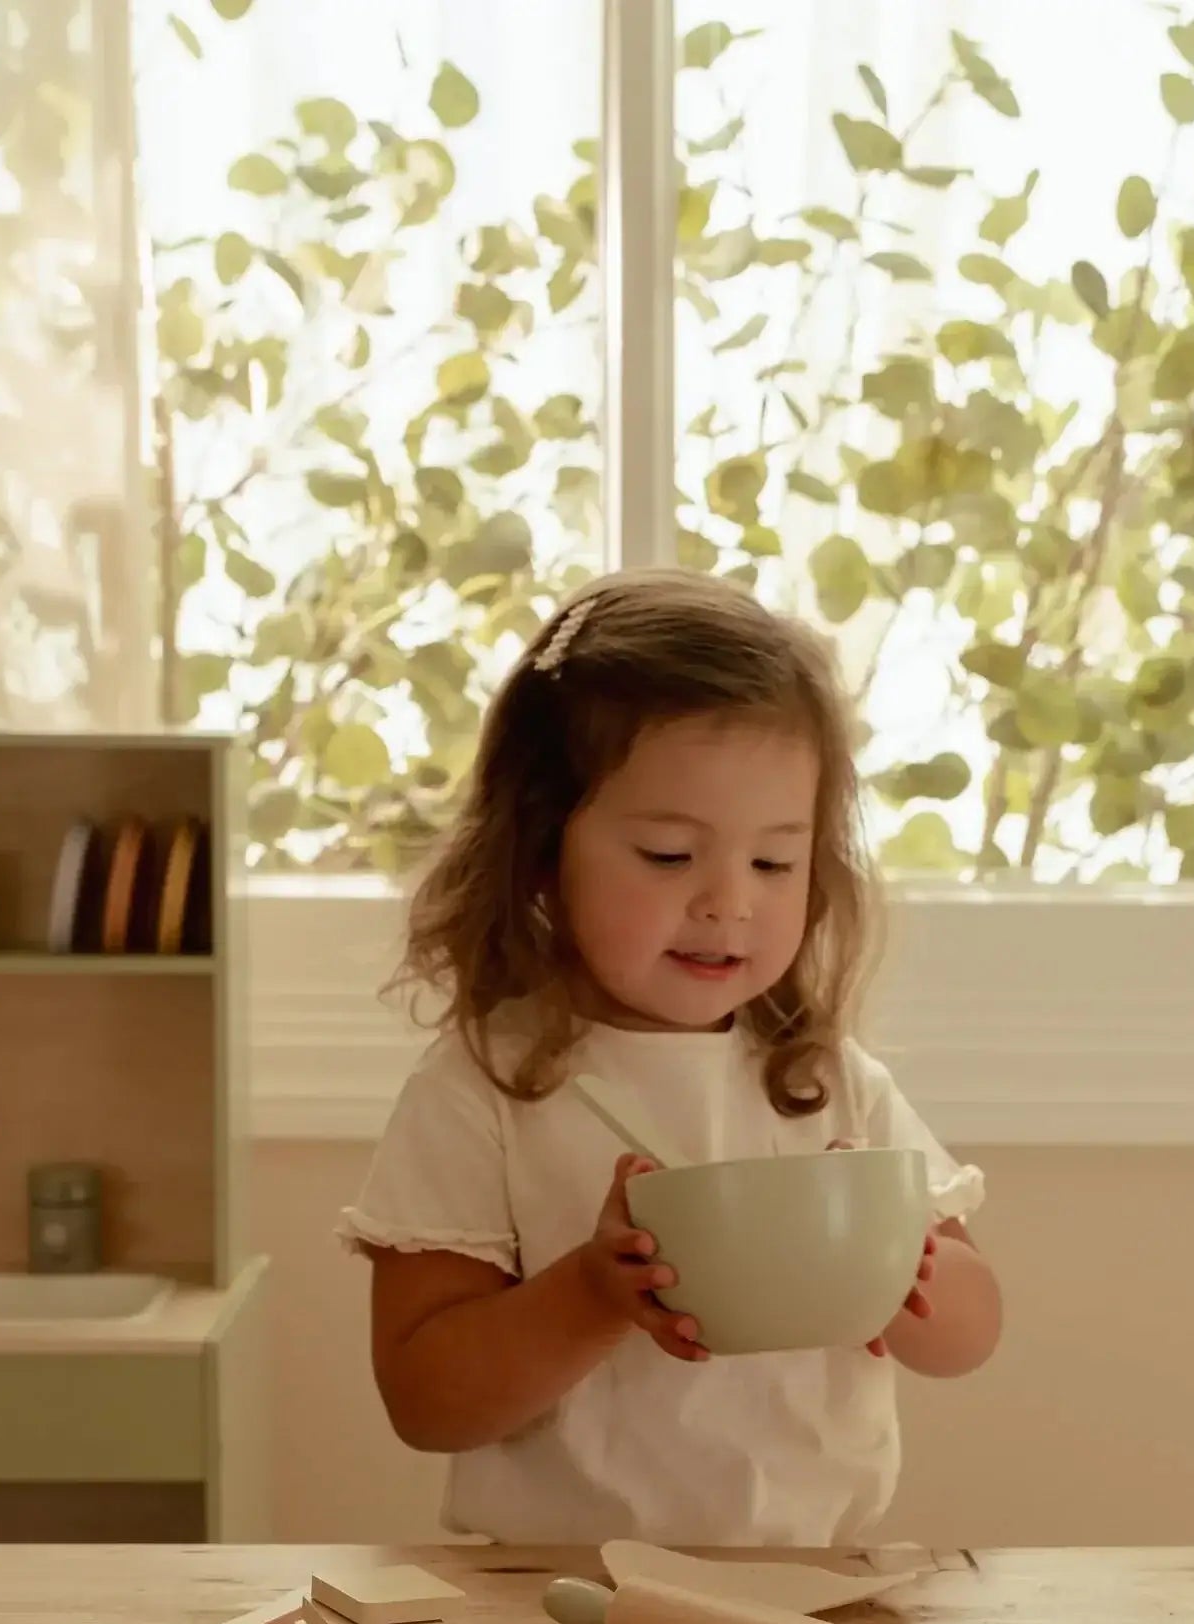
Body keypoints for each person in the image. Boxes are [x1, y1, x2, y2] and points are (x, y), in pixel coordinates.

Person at [338, 568, 1003, 1544]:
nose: (729, 900)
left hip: (814, 1586)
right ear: (538, 851)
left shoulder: (825, 1082)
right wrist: (593, 1292)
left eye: (774, 859)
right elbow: (424, 1398)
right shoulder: (486, 1089)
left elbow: (971, 1333)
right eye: (665, 853)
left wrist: (906, 1265)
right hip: (553, 1603)